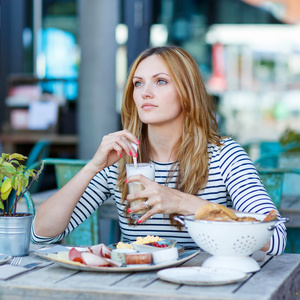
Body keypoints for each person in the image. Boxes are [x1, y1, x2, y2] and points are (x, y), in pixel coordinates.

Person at [32, 45, 286, 255]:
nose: (146, 93)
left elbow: (274, 240)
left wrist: (185, 203)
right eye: (138, 84)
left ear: (187, 93)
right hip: (135, 287)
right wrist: (92, 167)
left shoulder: (224, 156)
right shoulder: (123, 158)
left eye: (161, 81)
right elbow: (41, 234)